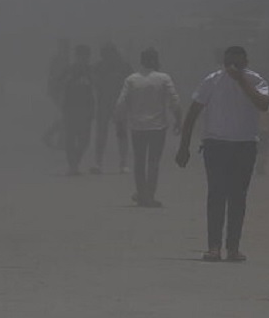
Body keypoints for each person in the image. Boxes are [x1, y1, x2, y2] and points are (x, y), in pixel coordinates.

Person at [176, 46, 269, 262]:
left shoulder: (255, 80)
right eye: (229, 63)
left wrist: (241, 80)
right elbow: (193, 113)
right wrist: (184, 146)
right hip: (216, 145)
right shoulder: (212, 81)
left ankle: (233, 247)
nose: (232, 68)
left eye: (237, 64)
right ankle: (214, 247)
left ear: (245, 63)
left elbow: (263, 104)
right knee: (216, 195)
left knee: (238, 197)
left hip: (244, 145)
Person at [115, 48, 182, 207]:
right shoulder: (163, 78)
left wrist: (120, 123)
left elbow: (121, 103)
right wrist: (178, 120)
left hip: (137, 127)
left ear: (141, 61)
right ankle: (150, 195)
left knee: (139, 161)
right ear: (156, 60)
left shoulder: (132, 80)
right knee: (153, 162)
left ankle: (142, 194)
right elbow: (175, 101)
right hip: (158, 127)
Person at [92, 42, 133, 174]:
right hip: (104, 104)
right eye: (105, 54)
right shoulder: (98, 67)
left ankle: (123, 163)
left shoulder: (124, 67)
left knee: (120, 134)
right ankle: (98, 162)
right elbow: (93, 83)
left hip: (119, 104)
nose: (107, 57)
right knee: (102, 134)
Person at [60, 44, 97, 176]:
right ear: (77, 56)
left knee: (85, 140)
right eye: (81, 56)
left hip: (86, 108)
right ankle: (73, 166)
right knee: (70, 139)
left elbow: (95, 87)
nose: (84, 59)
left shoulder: (90, 70)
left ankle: (75, 162)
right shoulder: (69, 69)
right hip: (70, 108)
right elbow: (59, 85)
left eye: (86, 56)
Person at [43, 38, 71, 149]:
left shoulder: (64, 59)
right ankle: (57, 139)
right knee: (66, 116)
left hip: (62, 91)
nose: (66, 49)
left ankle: (56, 138)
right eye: (64, 47)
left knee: (66, 116)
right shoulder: (58, 60)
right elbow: (54, 77)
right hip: (59, 92)